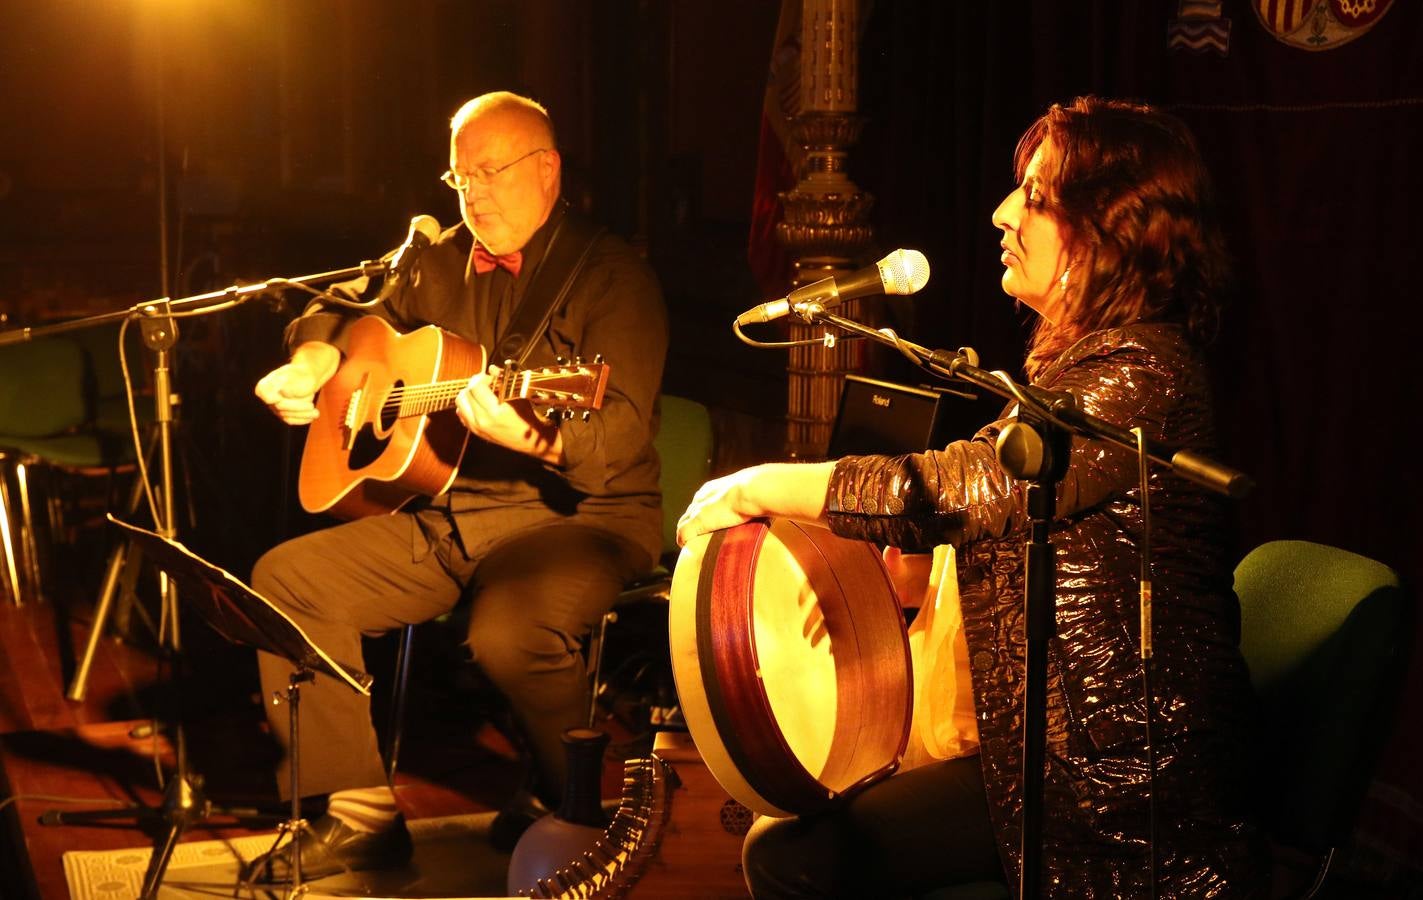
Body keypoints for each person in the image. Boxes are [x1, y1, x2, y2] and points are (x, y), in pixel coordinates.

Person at [677, 96, 1268, 898]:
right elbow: (1015, 520)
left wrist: (760, 483)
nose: (1000, 213)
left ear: (1110, 225)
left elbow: (970, 486)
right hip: (1035, 747)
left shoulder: (1144, 372)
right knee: (782, 825)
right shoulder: (1076, 367)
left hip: (1113, 784)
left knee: (794, 855)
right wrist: (927, 581)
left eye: (1033, 195)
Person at [245, 91, 667, 881]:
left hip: (578, 517)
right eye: (458, 174)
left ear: (547, 170)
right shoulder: (435, 264)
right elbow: (344, 319)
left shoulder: (613, 275)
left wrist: (532, 431)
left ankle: (576, 798)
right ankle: (361, 812)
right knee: (288, 582)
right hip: (451, 514)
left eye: (489, 171)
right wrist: (311, 361)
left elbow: (618, 437)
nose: (470, 192)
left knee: (508, 635)